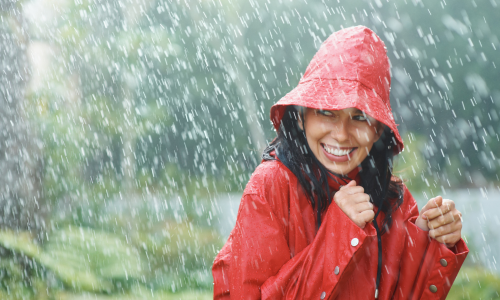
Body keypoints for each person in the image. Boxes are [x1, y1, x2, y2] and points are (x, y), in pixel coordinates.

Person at [212, 26, 468, 299]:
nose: (342, 134)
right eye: (327, 112)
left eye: (359, 117)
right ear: (301, 116)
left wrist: (432, 241)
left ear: (378, 130)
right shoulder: (270, 187)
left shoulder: (395, 199)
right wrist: (339, 233)